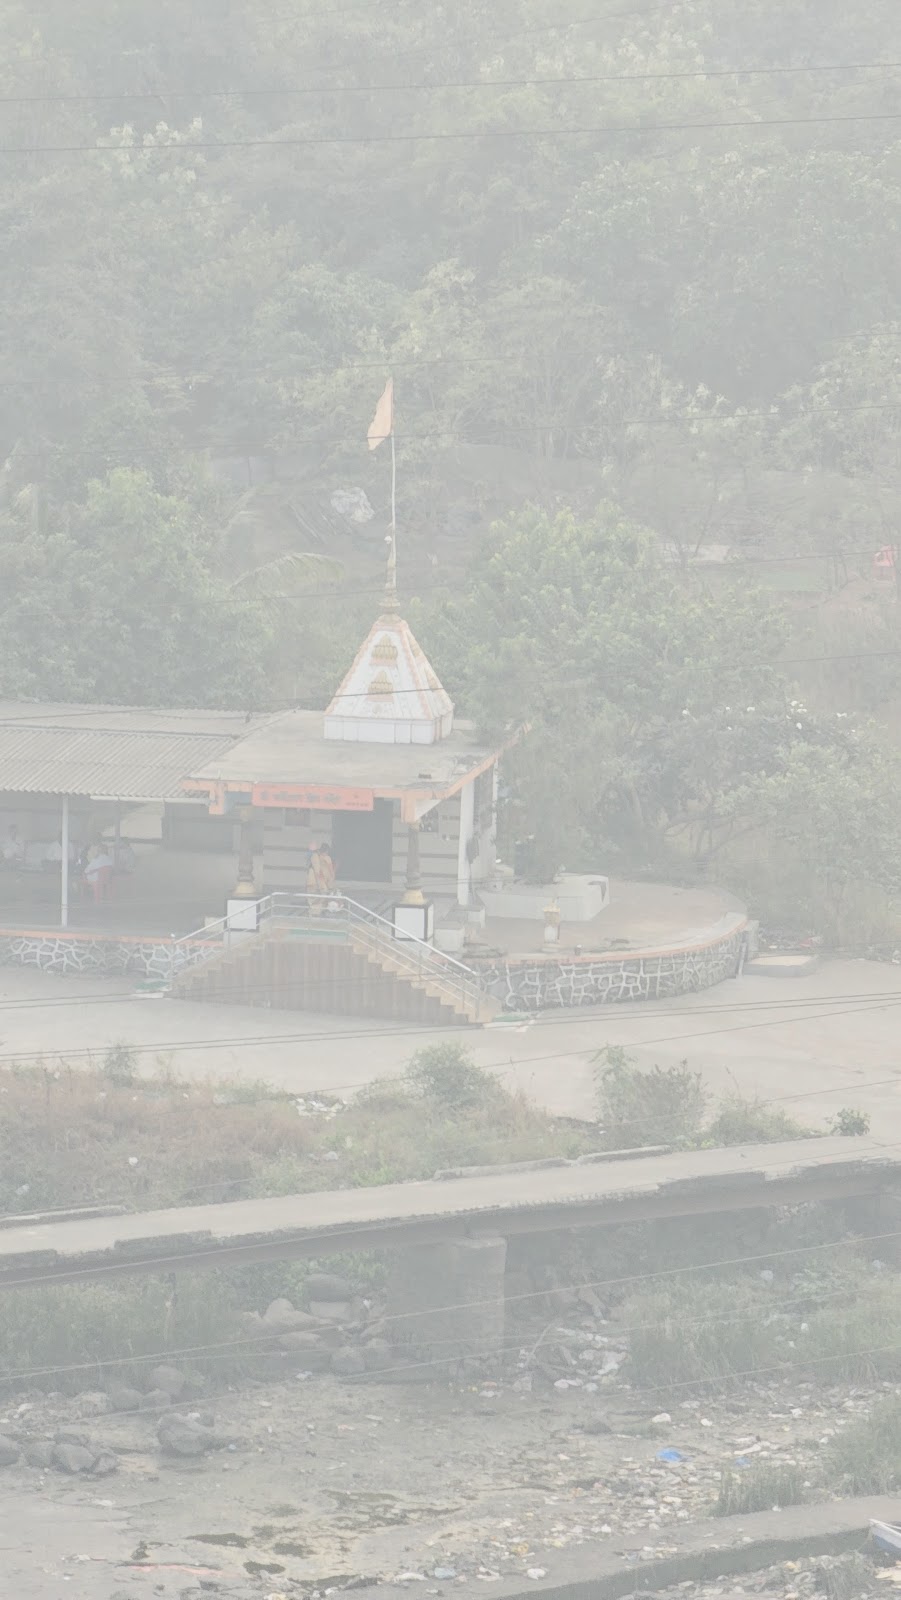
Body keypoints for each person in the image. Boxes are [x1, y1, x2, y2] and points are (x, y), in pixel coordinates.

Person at [306, 841, 337, 914]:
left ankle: (316, 912)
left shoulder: (318, 857)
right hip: (317, 882)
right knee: (319, 896)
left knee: (316, 897)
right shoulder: (317, 857)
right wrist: (324, 884)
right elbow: (319, 872)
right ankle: (315, 912)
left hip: (317, 882)